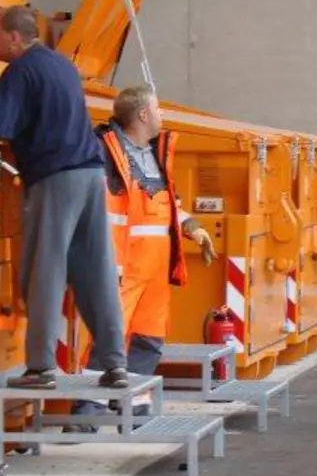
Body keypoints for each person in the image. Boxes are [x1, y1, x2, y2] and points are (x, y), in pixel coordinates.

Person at [0, 5, 129, 390]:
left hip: (56, 178)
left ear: (13, 36)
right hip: (92, 174)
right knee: (96, 270)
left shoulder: (20, 71)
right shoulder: (62, 66)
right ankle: (115, 364)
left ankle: (40, 367)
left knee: (46, 268)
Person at [65, 86, 218, 429]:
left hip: (154, 269)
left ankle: (136, 407)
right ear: (143, 115)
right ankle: (86, 413)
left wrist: (194, 228)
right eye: (158, 109)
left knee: (149, 337)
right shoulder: (102, 150)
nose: (163, 115)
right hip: (120, 266)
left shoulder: (155, 153)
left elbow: (169, 206)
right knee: (109, 337)